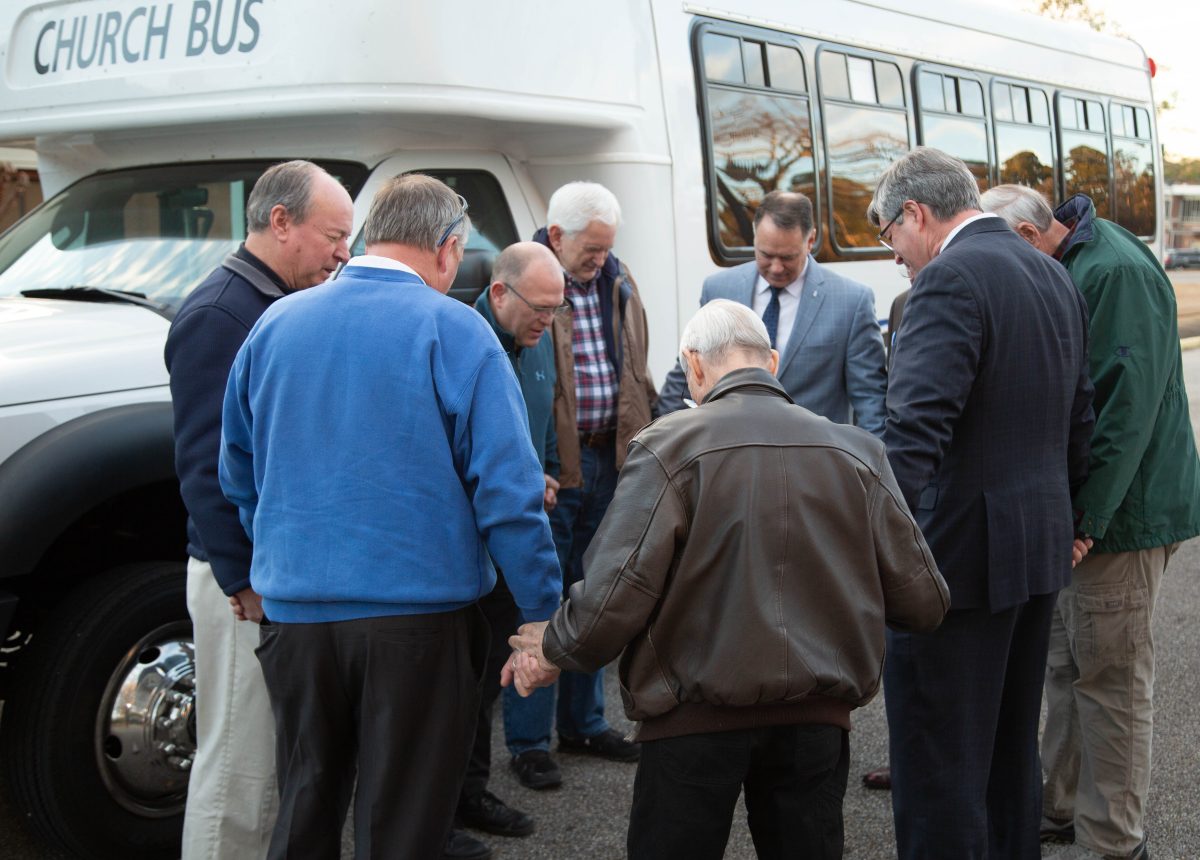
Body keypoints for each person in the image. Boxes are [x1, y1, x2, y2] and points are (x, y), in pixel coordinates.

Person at [503, 298, 950, 859]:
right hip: (817, 720)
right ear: (773, 362)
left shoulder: (669, 446)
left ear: (692, 365)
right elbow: (926, 601)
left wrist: (550, 648)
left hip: (692, 723)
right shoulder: (858, 451)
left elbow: (616, 592)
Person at [218, 174, 563, 859]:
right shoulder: (455, 329)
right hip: (417, 625)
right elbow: (508, 491)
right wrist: (542, 611)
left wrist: (287, 558)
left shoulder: (276, 324)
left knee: (305, 803)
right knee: (403, 824)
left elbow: (238, 472)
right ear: (449, 249)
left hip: (298, 618)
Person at [867, 147, 1095, 859]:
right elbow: (1080, 418)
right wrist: (1071, 521)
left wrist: (867, 547)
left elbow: (911, 437)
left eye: (888, 236)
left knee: (940, 773)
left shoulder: (949, 280)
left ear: (915, 212)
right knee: (1005, 762)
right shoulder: (1050, 273)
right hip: (1034, 555)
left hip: (957, 568)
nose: (895, 256)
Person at [981, 184, 1200, 860]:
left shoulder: (1114, 272)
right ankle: (1063, 804)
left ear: (1025, 237)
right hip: (1086, 514)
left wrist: (1086, 521)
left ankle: (1112, 841)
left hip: (1118, 519)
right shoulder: (1075, 261)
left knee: (1110, 679)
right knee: (1066, 666)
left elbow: (1121, 416)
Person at [164, 160, 353, 860]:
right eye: (334, 235)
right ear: (280, 222)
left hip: (270, 575)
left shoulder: (267, 303)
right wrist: (242, 579)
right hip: (243, 584)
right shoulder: (221, 315)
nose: (343, 253)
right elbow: (205, 468)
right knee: (237, 772)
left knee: (269, 765)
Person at [504, 181, 657, 789]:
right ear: (557, 235)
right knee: (541, 596)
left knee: (593, 590)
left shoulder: (618, 279)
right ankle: (527, 739)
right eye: (590, 249)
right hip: (553, 467)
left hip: (611, 460)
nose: (599, 259)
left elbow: (636, 367)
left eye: (606, 249)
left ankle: (584, 722)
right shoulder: (533, 277)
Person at [453, 242, 567, 848]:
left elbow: (543, 418)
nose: (548, 321)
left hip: (516, 535)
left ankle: (471, 793)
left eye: (556, 309)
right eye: (540, 309)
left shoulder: (537, 336)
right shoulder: (460, 342)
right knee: (454, 688)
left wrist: (547, 470)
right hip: (469, 545)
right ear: (500, 293)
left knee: (481, 686)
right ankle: (442, 812)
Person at [658, 190, 887, 435]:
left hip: (813, 461)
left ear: (810, 241)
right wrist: (659, 434)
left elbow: (870, 402)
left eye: (788, 257)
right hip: (732, 455)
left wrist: (870, 466)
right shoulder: (720, 289)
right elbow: (688, 372)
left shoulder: (851, 302)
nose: (776, 268)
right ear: (755, 236)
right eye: (766, 255)